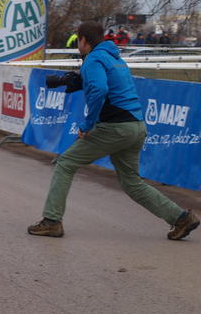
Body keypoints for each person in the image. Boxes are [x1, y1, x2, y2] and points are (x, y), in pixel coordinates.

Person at [27, 21, 199, 241]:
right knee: (132, 183)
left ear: (83, 40)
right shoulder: (114, 58)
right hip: (136, 126)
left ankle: (52, 221)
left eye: (78, 40)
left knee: (65, 163)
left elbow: (99, 89)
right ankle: (181, 218)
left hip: (115, 127)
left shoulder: (93, 59)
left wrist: (88, 124)